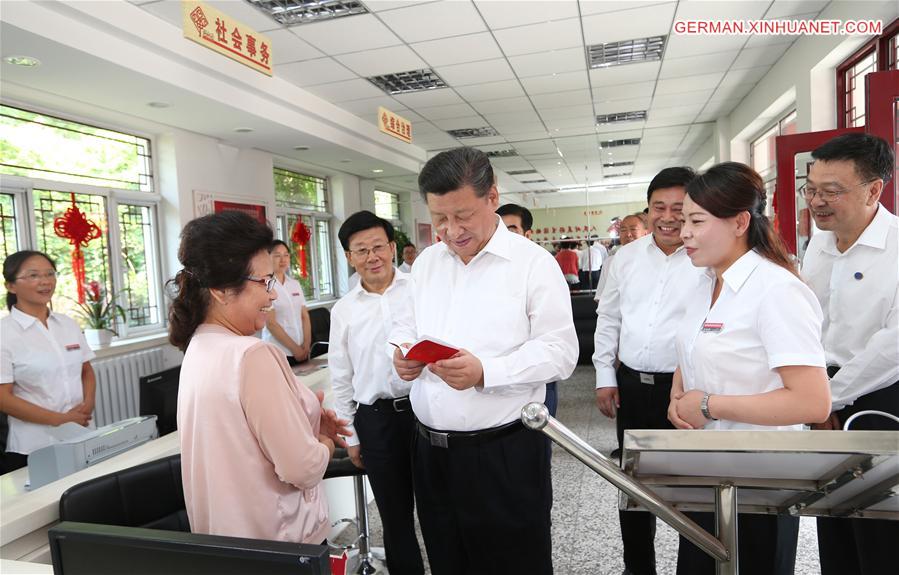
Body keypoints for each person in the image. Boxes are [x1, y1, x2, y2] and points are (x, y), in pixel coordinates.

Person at [391, 147, 578, 575]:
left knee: (514, 562)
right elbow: (404, 324)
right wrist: (401, 353)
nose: (450, 231)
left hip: (503, 452)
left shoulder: (534, 265)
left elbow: (560, 351)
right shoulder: (427, 264)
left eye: (462, 215)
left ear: (493, 196)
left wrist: (486, 372)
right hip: (431, 452)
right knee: (446, 558)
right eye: (439, 218)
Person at [669, 161, 830, 574]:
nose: (683, 231)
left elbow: (812, 402)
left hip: (761, 478)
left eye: (696, 220)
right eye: (683, 219)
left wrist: (708, 405)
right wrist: (678, 395)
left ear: (740, 221)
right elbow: (693, 351)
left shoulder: (776, 291)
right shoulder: (704, 281)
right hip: (707, 470)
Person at [169, 211, 348, 544]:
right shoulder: (252, 355)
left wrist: (307, 425)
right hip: (280, 544)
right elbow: (302, 468)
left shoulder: (199, 346)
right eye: (265, 282)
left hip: (227, 545)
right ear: (222, 289)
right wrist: (322, 443)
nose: (273, 294)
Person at [593, 166, 702, 575]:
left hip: (689, 393)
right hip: (634, 388)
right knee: (634, 488)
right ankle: (638, 567)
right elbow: (610, 317)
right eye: (659, 207)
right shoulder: (625, 257)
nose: (669, 217)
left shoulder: (706, 256)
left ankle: (695, 565)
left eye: (680, 207)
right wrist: (605, 376)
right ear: (648, 209)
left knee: (693, 489)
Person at [800, 133, 899, 575]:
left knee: (881, 532)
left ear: (874, 189)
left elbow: (891, 347)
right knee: (832, 516)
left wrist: (828, 398)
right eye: (812, 188)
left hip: (880, 398)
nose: (817, 202)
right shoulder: (817, 245)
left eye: (832, 191)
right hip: (821, 397)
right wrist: (813, 397)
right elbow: (807, 322)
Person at [330, 210, 423, 575]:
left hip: (426, 411)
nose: (373, 257)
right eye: (361, 250)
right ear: (350, 257)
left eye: (379, 247)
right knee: (395, 515)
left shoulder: (420, 289)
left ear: (392, 247)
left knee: (439, 506)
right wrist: (351, 435)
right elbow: (341, 376)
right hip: (376, 421)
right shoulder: (344, 310)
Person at [0, 250, 96, 474]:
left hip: (80, 433)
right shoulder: (4, 334)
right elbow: (3, 398)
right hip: (34, 445)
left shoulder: (67, 324)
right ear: (11, 286)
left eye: (50, 274)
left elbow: (86, 370)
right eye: (33, 275)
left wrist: (88, 403)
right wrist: (59, 420)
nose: (45, 281)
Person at [496, 203, 558, 416]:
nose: (503, 236)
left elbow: (555, 344)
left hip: (536, 379)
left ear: (528, 234)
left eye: (511, 229)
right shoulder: (489, 269)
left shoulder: (541, 266)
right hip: (495, 390)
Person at [261, 240, 312, 366]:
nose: (283, 259)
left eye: (286, 255)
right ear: (268, 258)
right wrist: (295, 349)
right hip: (279, 352)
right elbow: (271, 323)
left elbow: (304, 316)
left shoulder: (295, 284)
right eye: (277, 255)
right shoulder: (265, 286)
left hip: (302, 349)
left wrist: (306, 344)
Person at [595, 212, 649, 301]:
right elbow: (601, 298)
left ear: (646, 233)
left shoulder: (656, 260)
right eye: (623, 230)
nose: (628, 234)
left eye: (633, 229)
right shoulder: (610, 262)